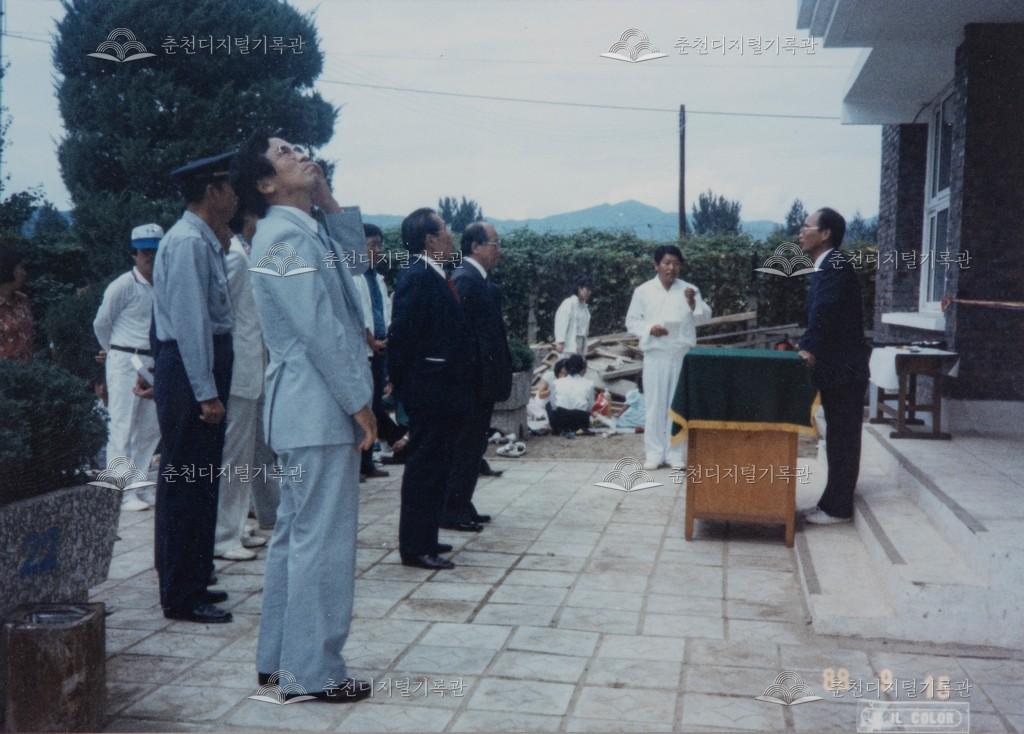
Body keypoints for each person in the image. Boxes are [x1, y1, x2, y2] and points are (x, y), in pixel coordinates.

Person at [231, 131, 375, 703]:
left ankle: (280, 662)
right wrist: (360, 405)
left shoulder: (298, 229)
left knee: (296, 538)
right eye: (284, 153)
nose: (299, 153)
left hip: (307, 413)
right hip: (316, 411)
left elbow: (357, 271)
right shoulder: (279, 240)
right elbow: (318, 328)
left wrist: (330, 200)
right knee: (322, 542)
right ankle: (313, 673)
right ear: (266, 184)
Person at [151, 151, 237, 624]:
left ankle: (193, 573)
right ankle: (182, 594)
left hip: (196, 365)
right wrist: (205, 391)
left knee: (200, 478)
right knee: (187, 481)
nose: (236, 195)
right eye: (230, 186)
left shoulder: (201, 240)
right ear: (212, 191)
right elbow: (189, 323)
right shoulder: (187, 242)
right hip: (191, 369)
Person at [388, 208, 476, 569]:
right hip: (429, 391)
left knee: (439, 465)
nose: (451, 235)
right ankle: (414, 546)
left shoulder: (436, 275)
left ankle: (427, 536)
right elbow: (402, 337)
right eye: (445, 231)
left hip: (444, 391)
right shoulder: (416, 277)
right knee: (424, 467)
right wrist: (403, 386)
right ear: (429, 239)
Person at [797, 207, 870, 525]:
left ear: (825, 233)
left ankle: (838, 508)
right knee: (838, 436)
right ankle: (832, 501)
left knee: (842, 437)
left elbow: (825, 312)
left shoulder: (834, 266)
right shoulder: (828, 265)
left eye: (806, 226)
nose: (801, 232)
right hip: (841, 368)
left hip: (844, 369)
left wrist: (809, 349)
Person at [443, 221, 512, 530]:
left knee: (473, 447)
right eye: (494, 244)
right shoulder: (465, 280)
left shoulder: (479, 281)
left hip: (481, 384)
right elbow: (462, 338)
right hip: (470, 384)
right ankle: (451, 509)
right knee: (464, 446)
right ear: (475, 246)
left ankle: (462, 502)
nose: (498, 251)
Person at [92, 223, 164, 511]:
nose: (150, 258)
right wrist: (113, 353)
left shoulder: (165, 283)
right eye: (145, 253)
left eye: (155, 252)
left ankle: (139, 485)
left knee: (150, 427)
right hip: (124, 357)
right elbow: (101, 322)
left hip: (154, 360)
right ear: (134, 254)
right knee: (122, 423)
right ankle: (120, 493)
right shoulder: (123, 285)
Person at [212, 209, 268, 561]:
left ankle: (234, 526)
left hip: (250, 367)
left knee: (243, 457)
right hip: (237, 369)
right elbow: (224, 313)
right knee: (232, 457)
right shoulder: (233, 255)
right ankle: (221, 535)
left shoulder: (241, 251)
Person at [626, 244, 712, 470]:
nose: (671, 268)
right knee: (654, 404)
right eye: (666, 263)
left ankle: (675, 453)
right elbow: (632, 322)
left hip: (680, 353)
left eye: (675, 263)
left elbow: (703, 318)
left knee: (678, 404)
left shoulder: (690, 289)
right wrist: (650, 329)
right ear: (656, 265)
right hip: (655, 353)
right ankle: (654, 453)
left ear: (680, 266)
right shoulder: (643, 291)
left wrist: (694, 304)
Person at [352, 223, 401, 480]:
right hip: (365, 350)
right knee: (365, 405)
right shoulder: (354, 277)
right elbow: (357, 316)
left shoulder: (378, 278)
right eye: (372, 245)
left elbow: (384, 312)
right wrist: (371, 341)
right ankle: (359, 463)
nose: (377, 250)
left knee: (375, 403)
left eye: (380, 245)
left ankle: (367, 461)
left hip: (381, 348)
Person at [0, 243, 33, 363]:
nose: (24, 273)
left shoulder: (23, 300)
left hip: (27, 374)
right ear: (8, 269)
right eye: (21, 268)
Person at [550, 354, 595, 436]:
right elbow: (590, 407)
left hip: (560, 420)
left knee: (548, 405)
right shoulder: (589, 384)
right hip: (580, 421)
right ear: (583, 368)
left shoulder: (556, 383)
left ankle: (557, 429)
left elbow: (553, 405)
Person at [553, 278, 592, 354]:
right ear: (579, 288)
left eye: (590, 291)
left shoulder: (585, 308)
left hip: (581, 345)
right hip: (569, 345)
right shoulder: (569, 303)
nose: (589, 293)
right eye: (587, 290)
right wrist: (560, 341)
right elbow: (561, 322)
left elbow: (585, 330)